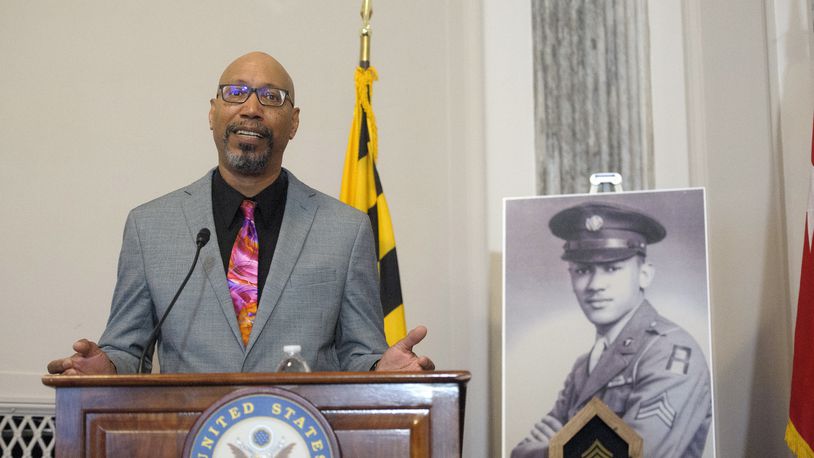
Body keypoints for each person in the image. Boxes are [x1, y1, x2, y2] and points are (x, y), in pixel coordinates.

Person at [47, 51, 434, 375]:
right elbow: (129, 349)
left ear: (294, 122)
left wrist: (379, 369)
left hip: (303, 435)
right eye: (235, 94)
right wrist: (108, 368)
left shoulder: (345, 230)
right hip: (190, 436)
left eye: (271, 97)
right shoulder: (149, 227)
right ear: (213, 113)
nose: (251, 109)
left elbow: (358, 353)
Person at [511, 202, 712, 458]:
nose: (595, 285)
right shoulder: (584, 366)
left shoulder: (671, 353)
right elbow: (518, 453)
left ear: (645, 275)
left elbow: (639, 454)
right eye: (583, 270)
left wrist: (552, 448)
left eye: (612, 269)